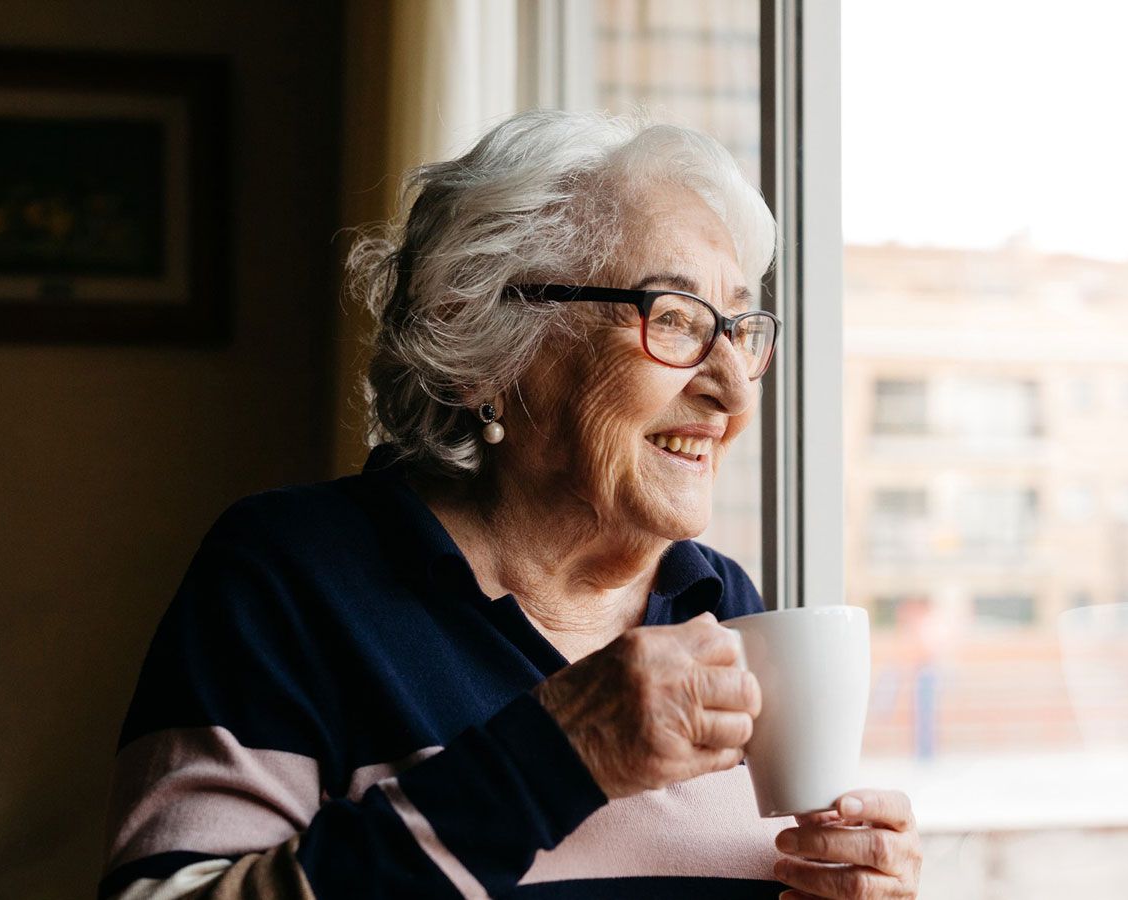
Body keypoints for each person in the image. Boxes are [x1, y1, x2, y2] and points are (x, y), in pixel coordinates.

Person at [100, 110, 921, 900]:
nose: (733, 390)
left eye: (739, 328)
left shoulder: (719, 604)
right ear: (478, 342)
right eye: (673, 319)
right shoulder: (293, 576)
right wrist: (553, 759)